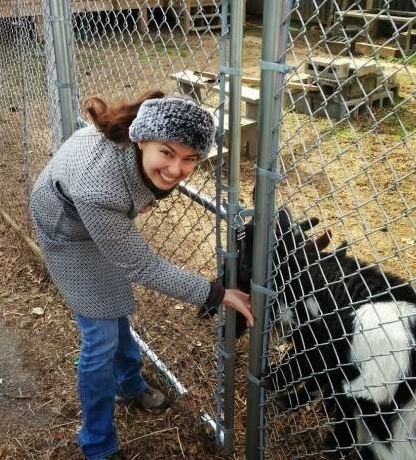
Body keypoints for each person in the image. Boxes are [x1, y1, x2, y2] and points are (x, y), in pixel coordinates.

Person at [29, 91, 254, 460]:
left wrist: (140, 196)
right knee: (100, 335)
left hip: (86, 210)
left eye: (190, 159)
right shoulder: (100, 187)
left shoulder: (127, 140)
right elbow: (143, 267)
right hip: (65, 231)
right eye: (166, 152)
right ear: (141, 138)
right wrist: (218, 293)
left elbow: (136, 188)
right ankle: (97, 444)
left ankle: (128, 383)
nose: (177, 170)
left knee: (114, 301)